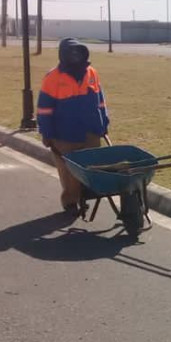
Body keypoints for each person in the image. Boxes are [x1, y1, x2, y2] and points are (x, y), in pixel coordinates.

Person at [37, 38, 110, 214]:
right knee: (69, 173)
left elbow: (100, 101)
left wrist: (104, 122)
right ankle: (70, 201)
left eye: (78, 52)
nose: (75, 56)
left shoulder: (91, 72)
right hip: (64, 134)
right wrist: (46, 134)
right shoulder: (53, 77)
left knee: (90, 168)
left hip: (90, 130)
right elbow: (44, 109)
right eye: (71, 53)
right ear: (63, 55)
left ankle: (84, 195)